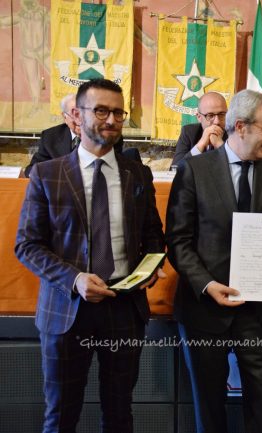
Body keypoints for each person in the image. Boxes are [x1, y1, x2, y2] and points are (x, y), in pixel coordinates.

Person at [14, 78, 165, 433]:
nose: (111, 120)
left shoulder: (137, 174)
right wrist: (75, 279)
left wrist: (152, 266)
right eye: (100, 111)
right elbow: (27, 245)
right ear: (77, 117)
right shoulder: (47, 174)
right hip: (65, 310)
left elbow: (153, 235)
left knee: (119, 414)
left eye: (118, 112)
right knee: (60, 417)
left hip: (124, 307)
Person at [166, 89, 262, 433]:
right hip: (205, 308)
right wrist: (207, 285)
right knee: (209, 406)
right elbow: (178, 240)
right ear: (241, 127)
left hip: (257, 312)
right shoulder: (194, 169)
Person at [25, 94, 126, 177]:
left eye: (83, 114)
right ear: (64, 117)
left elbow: (113, 170)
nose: (80, 120)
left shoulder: (106, 136)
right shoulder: (50, 137)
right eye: (75, 115)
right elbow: (32, 170)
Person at [170, 91, 228, 168]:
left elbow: (240, 170)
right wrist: (200, 145)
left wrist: (220, 146)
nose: (217, 122)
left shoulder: (234, 133)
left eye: (222, 114)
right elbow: (175, 169)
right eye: (210, 115)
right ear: (199, 117)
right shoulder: (189, 132)